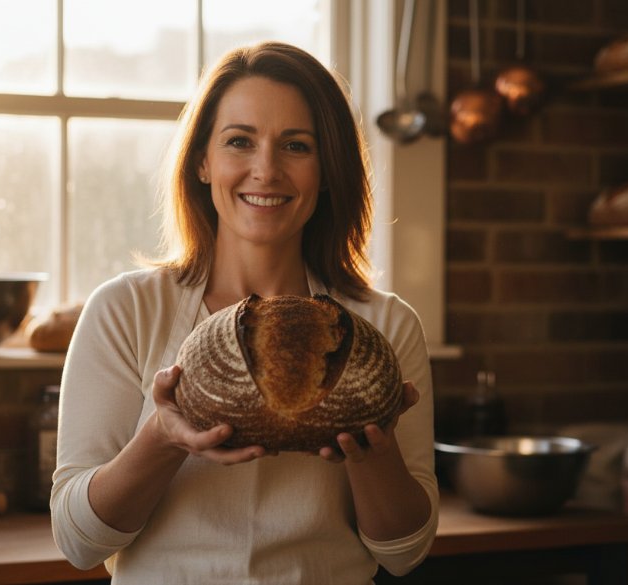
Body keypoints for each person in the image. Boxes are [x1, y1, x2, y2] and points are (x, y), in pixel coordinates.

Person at [50, 41, 438, 584]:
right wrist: (163, 437)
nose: (266, 170)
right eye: (239, 141)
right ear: (202, 161)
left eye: (296, 146)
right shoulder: (127, 310)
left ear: (328, 169)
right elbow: (78, 542)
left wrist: (373, 451)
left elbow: (404, 553)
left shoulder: (386, 327)